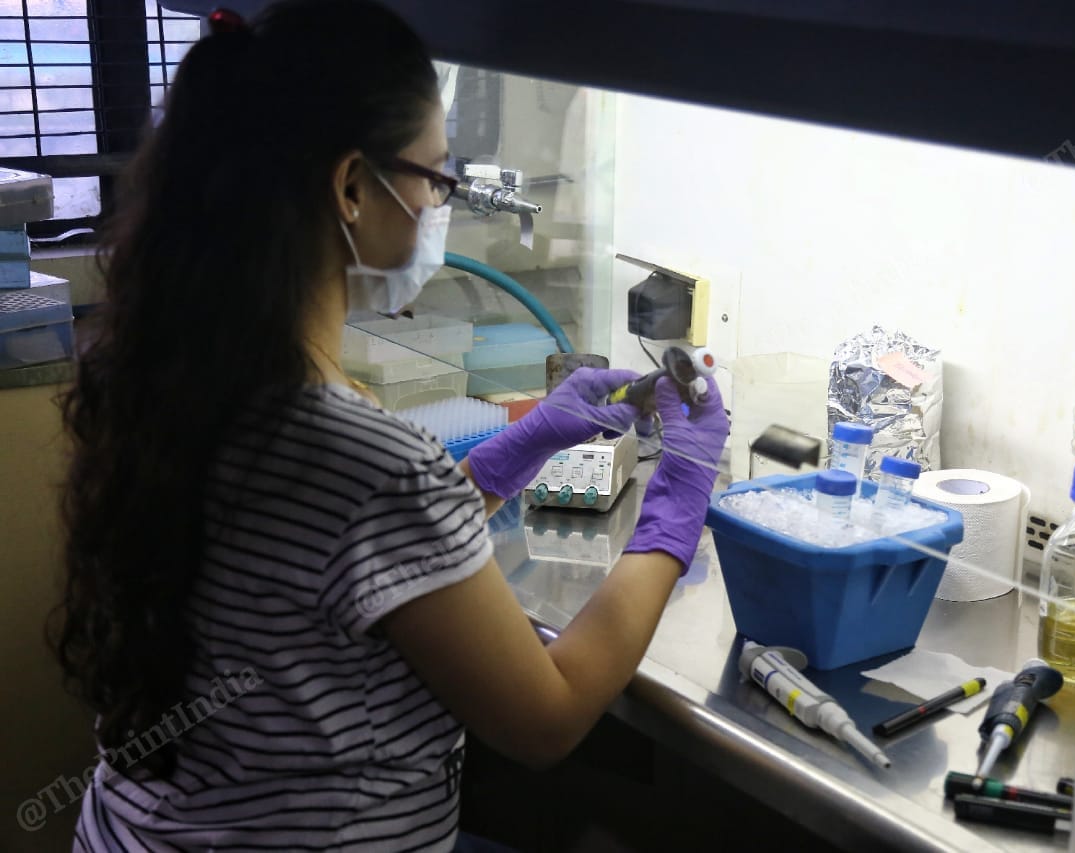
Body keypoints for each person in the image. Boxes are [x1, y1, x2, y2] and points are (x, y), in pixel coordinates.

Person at [51, 1, 729, 850]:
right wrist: (679, 498)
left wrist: (514, 451)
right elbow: (549, 716)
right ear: (350, 186)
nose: (439, 201)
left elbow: (351, 559)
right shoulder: (362, 457)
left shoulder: (176, 381)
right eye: (434, 176)